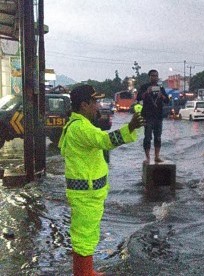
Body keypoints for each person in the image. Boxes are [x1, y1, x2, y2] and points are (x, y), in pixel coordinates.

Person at [58, 84, 144, 275]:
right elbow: (105, 141)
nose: (98, 106)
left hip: (88, 193)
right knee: (84, 236)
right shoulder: (80, 128)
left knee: (87, 234)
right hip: (86, 194)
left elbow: (100, 138)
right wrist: (129, 127)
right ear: (84, 105)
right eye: (94, 102)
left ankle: (86, 271)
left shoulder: (79, 125)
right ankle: (84, 273)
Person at [136, 69, 170, 163]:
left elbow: (167, 100)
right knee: (147, 137)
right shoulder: (144, 87)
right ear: (149, 77)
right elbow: (138, 98)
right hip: (147, 115)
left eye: (156, 75)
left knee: (158, 137)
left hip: (158, 115)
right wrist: (147, 92)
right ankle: (147, 158)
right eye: (152, 75)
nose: (154, 77)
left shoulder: (161, 88)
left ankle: (157, 156)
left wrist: (161, 96)